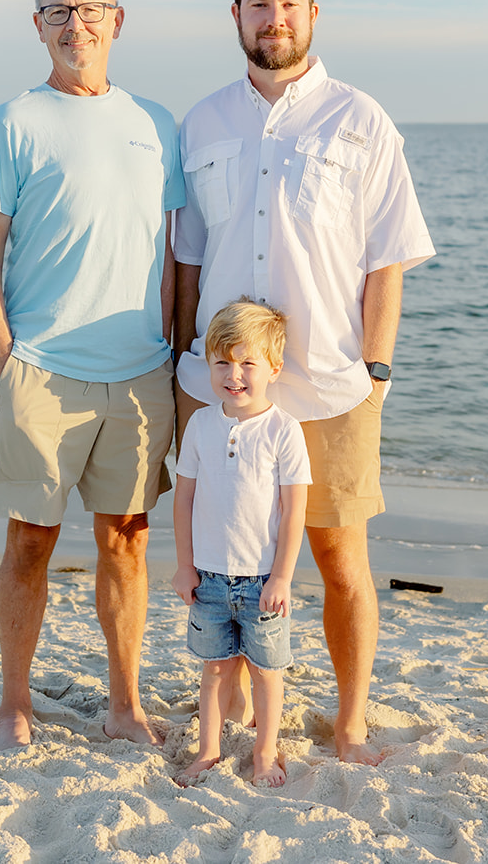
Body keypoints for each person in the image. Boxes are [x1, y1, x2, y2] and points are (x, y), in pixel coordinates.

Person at [173, 0, 435, 766]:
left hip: (329, 383)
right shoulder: (204, 121)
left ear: (313, 14)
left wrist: (378, 373)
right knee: (229, 556)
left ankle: (351, 724)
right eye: (258, 3)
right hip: (217, 387)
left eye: (288, 2)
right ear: (236, 15)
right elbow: (186, 257)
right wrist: (182, 358)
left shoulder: (361, 120)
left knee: (338, 558)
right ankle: (247, 711)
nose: (274, 17)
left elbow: (385, 261)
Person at [0, 0, 185, 751]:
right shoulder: (14, 121)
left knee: (126, 537)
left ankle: (124, 705)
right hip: (42, 372)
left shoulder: (155, 123)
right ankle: (15, 703)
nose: (74, 25)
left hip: (139, 374)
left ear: (117, 21)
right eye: (56, 12)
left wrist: (175, 352)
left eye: (89, 9)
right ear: (37, 26)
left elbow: (172, 253)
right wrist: (5, 359)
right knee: (31, 539)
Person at [171, 299, 310, 786]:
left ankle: (265, 752)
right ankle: (208, 752)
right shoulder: (201, 425)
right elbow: (183, 499)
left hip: (262, 583)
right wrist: (185, 566)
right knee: (215, 671)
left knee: (268, 673)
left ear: (273, 367)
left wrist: (283, 577)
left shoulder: (284, 431)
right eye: (223, 362)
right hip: (208, 577)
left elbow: (294, 511)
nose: (235, 374)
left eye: (248, 362)